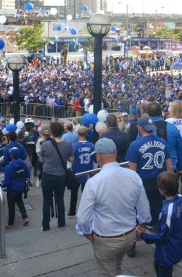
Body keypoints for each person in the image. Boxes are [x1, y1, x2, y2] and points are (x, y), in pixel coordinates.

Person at [75, 138, 151, 277]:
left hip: (106, 239)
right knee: (117, 266)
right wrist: (142, 225)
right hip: (129, 236)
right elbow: (144, 209)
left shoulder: (93, 182)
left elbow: (82, 219)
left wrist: (86, 233)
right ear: (115, 153)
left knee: (108, 272)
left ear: (99, 156)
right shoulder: (133, 175)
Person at [125, 115, 173, 257]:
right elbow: (170, 167)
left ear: (140, 129)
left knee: (136, 217)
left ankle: (132, 246)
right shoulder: (163, 142)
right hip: (160, 183)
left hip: (142, 185)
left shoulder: (135, 145)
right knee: (158, 216)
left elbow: (132, 171)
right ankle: (162, 244)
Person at [137, 172, 182, 277]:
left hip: (167, 252)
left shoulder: (168, 211)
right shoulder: (181, 198)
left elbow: (162, 236)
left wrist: (142, 235)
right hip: (177, 245)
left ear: (162, 189)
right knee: (157, 265)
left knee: (163, 271)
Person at [39, 121, 73, 231]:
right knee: (60, 199)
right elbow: (71, 159)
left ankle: (45, 225)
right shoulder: (68, 144)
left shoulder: (45, 144)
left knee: (46, 200)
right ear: (62, 131)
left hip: (47, 175)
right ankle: (61, 223)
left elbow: (41, 160)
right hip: (61, 176)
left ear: (52, 132)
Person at [148, 102, 182, 175]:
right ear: (161, 112)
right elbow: (181, 149)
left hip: (151, 171)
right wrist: (180, 168)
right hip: (171, 169)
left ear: (148, 114)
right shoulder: (172, 127)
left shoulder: (144, 130)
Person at [69, 126, 94, 217]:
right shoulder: (92, 145)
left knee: (74, 192)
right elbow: (94, 159)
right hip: (88, 172)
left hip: (77, 172)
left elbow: (71, 159)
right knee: (86, 194)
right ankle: (86, 210)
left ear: (78, 134)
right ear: (86, 134)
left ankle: (72, 210)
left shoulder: (74, 146)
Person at [3, 147, 30, 227]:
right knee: (20, 201)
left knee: (11, 206)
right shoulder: (23, 163)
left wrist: (2, 183)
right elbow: (28, 174)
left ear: (11, 156)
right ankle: (25, 217)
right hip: (21, 187)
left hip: (11, 190)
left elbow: (6, 183)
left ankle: (10, 223)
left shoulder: (8, 167)